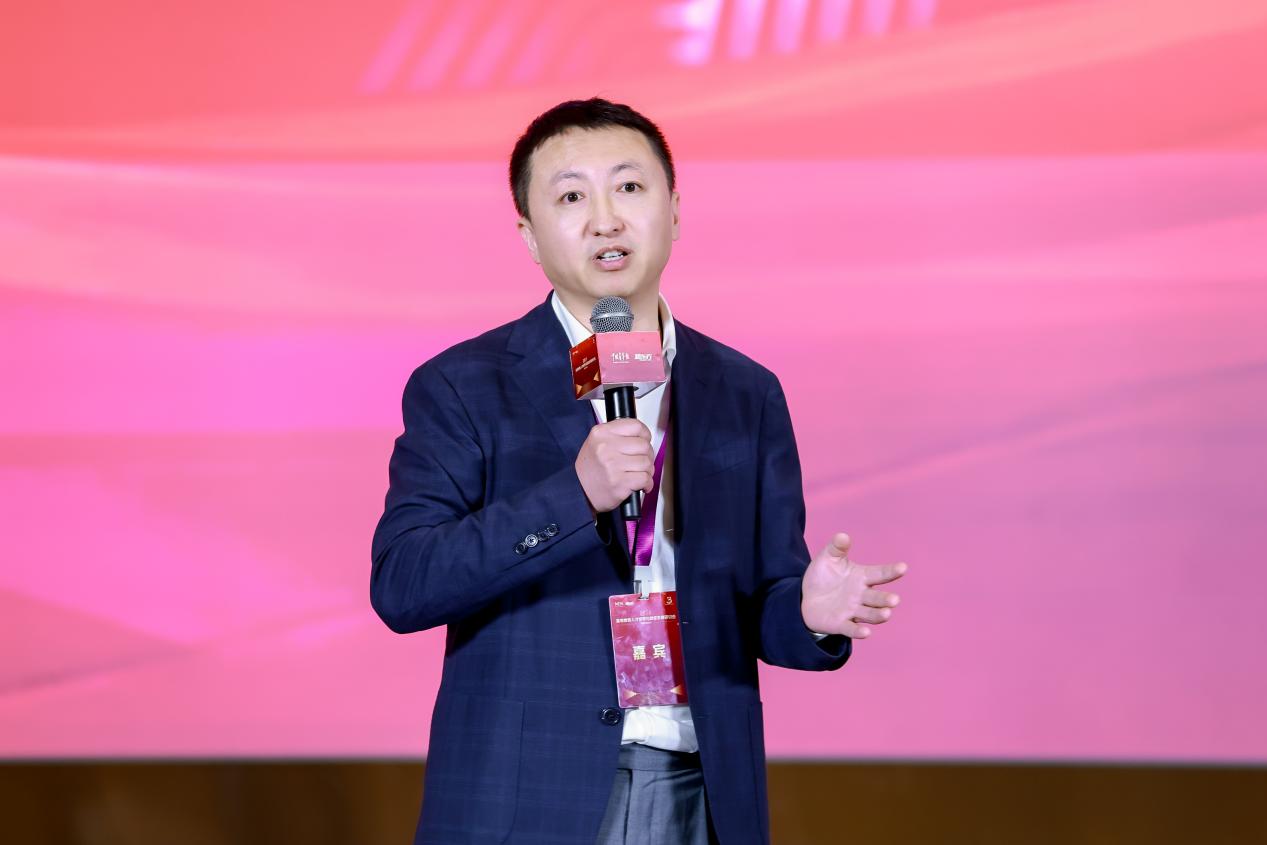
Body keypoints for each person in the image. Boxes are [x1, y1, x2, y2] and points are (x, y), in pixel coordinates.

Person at [370, 98, 908, 845]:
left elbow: (762, 601)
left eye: (628, 187)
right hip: (523, 798)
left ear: (675, 212)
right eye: (571, 197)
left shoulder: (744, 391)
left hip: (700, 790)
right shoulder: (463, 384)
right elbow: (404, 584)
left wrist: (807, 615)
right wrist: (575, 495)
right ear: (529, 236)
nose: (605, 219)